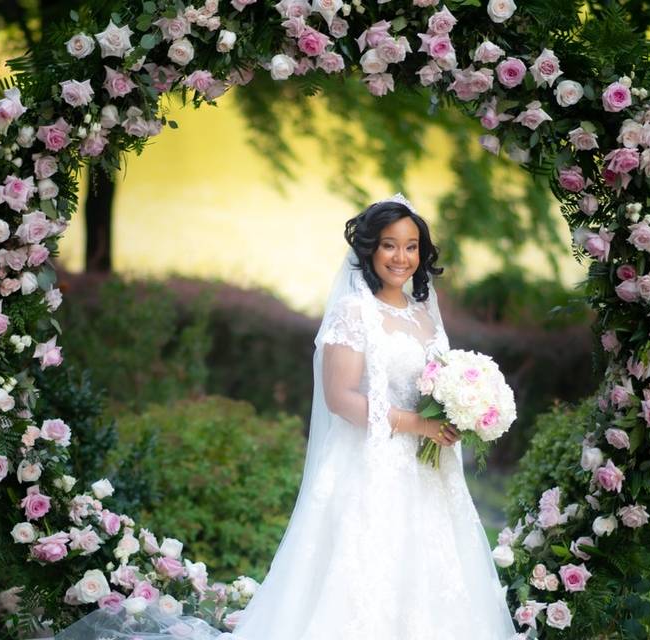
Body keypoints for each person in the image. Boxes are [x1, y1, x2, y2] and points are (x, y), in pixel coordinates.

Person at [56, 194, 516, 639]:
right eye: (389, 245)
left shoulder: (424, 317)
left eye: (411, 246)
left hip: (427, 472)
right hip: (371, 465)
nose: (402, 257)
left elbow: (436, 382)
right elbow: (340, 398)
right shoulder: (354, 313)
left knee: (429, 571)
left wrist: (462, 407)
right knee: (365, 573)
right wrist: (416, 424)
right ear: (369, 249)